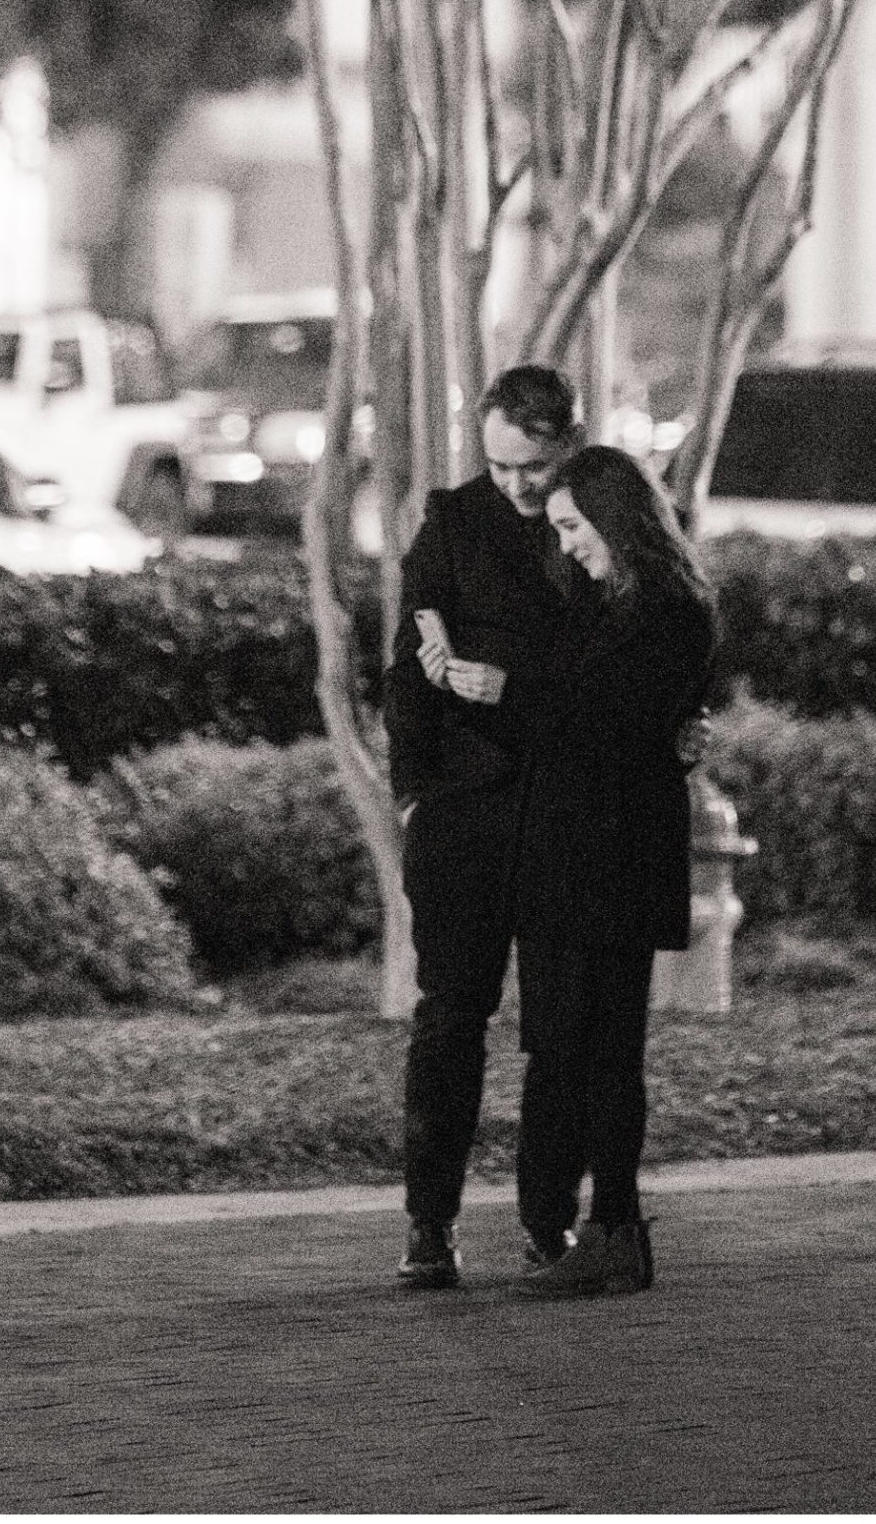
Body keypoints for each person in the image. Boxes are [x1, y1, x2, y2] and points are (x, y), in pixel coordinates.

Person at [383, 362, 586, 1290]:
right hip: (463, 807)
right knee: (450, 1019)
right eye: (500, 465)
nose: (517, 486)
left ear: (568, 444)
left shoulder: (597, 527)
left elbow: (615, 667)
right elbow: (406, 664)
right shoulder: (455, 521)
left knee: (559, 1027)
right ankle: (430, 1225)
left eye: (534, 467)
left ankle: (550, 1224)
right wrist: (414, 787)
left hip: (559, 808)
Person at [517, 442, 719, 1299]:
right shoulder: (615, 602)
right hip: (586, 847)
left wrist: (514, 698)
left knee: (605, 1046)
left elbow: (606, 727)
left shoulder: (666, 609)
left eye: (572, 525)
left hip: (614, 851)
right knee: (575, 1042)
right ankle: (586, 1225)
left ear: (612, 513)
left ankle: (616, 1230)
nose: (565, 544)